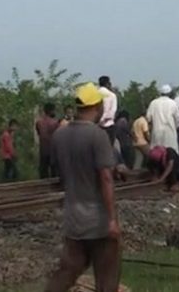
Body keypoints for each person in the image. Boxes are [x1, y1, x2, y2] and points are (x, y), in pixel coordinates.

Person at [44, 83, 121, 292]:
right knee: (107, 273)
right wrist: (112, 219)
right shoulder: (98, 135)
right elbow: (105, 178)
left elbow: (61, 172)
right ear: (97, 105)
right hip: (98, 219)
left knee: (68, 270)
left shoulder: (60, 135)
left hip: (72, 217)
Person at [146, 85, 179, 153]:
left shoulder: (153, 103)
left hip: (157, 133)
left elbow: (148, 118)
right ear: (170, 93)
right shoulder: (173, 103)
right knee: (171, 154)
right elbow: (178, 120)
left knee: (157, 155)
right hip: (170, 133)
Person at [35, 103, 61, 179]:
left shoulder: (39, 122)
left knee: (43, 172)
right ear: (51, 111)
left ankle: (43, 189)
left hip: (43, 150)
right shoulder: (55, 123)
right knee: (55, 173)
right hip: (53, 150)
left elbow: (39, 133)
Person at [98, 76, 119, 145]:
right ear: (107, 83)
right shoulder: (112, 95)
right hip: (108, 126)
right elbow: (112, 112)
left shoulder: (95, 94)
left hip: (96, 126)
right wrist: (103, 118)